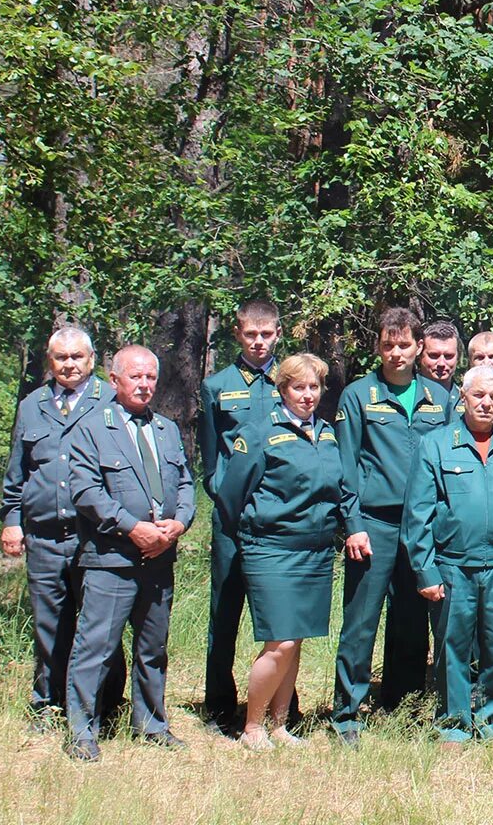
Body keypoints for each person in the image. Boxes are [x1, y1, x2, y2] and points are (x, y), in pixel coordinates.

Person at [214, 353, 370, 751]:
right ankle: (251, 727)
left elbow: (342, 487)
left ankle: (280, 725)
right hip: (271, 550)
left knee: (295, 640)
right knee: (279, 641)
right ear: (282, 389)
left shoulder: (328, 434)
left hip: (314, 552)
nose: (307, 395)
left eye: (314, 387)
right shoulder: (259, 433)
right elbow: (231, 499)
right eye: (298, 387)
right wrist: (258, 531)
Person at [62, 345, 195, 761]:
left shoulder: (166, 429)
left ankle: (152, 724)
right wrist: (132, 527)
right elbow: (85, 492)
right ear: (114, 379)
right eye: (135, 377)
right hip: (111, 560)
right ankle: (83, 731)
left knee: (153, 648)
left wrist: (180, 523)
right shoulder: (90, 429)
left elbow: (187, 485)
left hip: (159, 560)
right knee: (96, 648)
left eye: (150, 378)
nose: (144, 385)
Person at [404, 365, 493, 744]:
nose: (486, 403)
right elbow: (417, 515)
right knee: (452, 646)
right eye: (479, 395)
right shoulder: (435, 444)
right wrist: (426, 571)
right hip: (453, 566)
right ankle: (453, 723)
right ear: (463, 398)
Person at [332, 307, 453, 747]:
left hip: (422, 527)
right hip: (374, 526)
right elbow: (345, 468)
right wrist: (353, 525)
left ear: (419, 348)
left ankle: (399, 706)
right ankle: (347, 714)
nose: (396, 352)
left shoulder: (440, 400)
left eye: (405, 344)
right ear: (378, 347)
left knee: (411, 620)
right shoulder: (358, 395)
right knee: (361, 622)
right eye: (388, 344)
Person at [0, 326, 122, 731]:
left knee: (100, 625)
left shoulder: (111, 400)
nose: (69, 365)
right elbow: (17, 472)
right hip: (45, 535)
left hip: (97, 537)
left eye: (77, 357)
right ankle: (47, 705)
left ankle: (103, 705)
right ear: (49, 362)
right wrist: (12, 521)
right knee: (50, 623)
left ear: (92, 360)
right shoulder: (32, 406)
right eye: (60, 358)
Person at [197, 298, 281, 730]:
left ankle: (281, 705)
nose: (259, 343)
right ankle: (218, 705)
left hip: (279, 520)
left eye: (266, 335)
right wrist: (226, 499)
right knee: (225, 612)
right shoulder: (217, 386)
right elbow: (211, 462)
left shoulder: (291, 381)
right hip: (233, 520)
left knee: (279, 617)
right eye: (251, 334)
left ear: (278, 334)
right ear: (238, 334)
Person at [418, 321, 462, 392]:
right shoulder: (407, 396)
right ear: (419, 356)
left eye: (448, 356)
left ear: (458, 358)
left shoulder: (465, 399)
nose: (441, 364)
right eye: (434, 355)